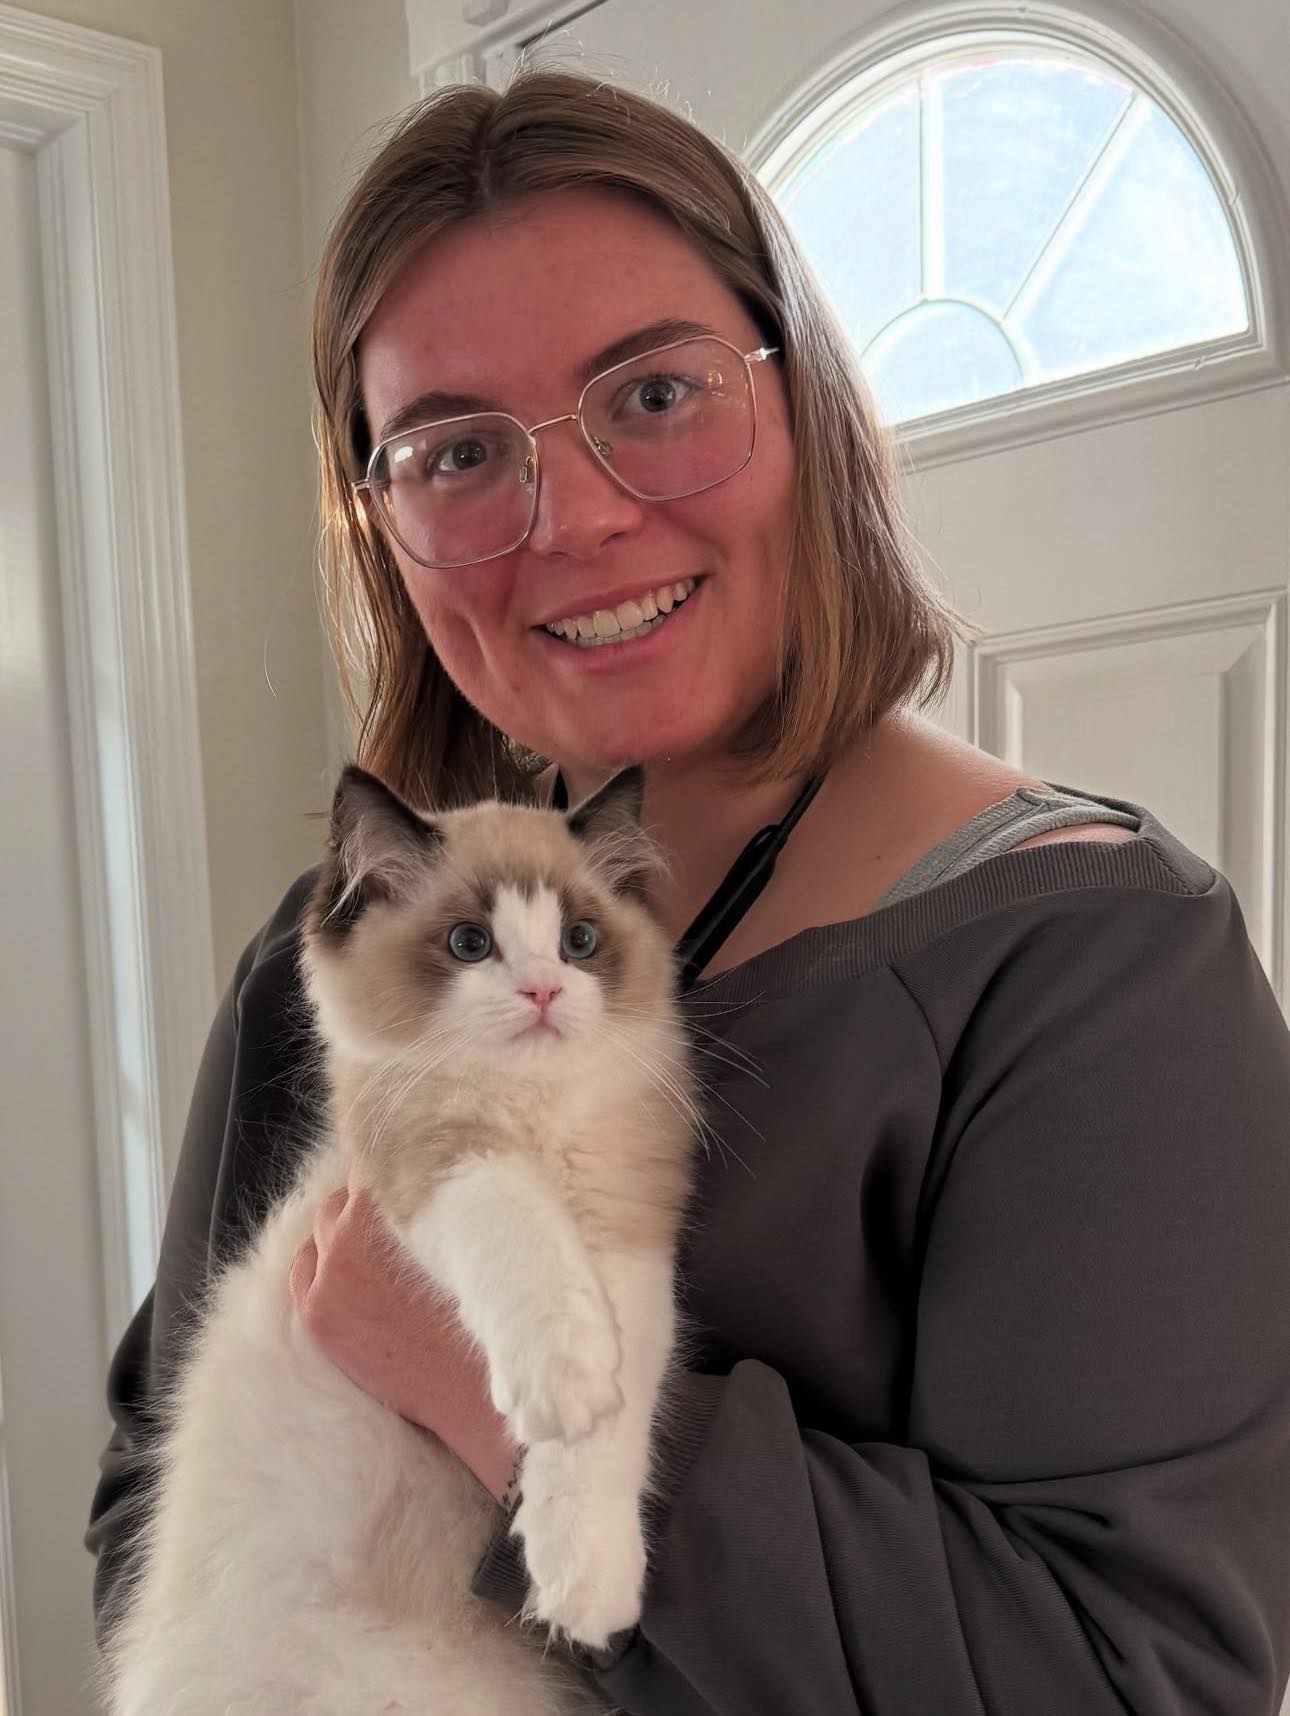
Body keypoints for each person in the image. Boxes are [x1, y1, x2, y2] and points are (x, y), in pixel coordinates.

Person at [87, 69, 1290, 1715]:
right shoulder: (342, 963)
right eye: (452, 452)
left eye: (652, 395)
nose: (571, 517)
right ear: (382, 531)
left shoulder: (1096, 965)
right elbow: (150, 1501)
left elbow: (1134, 1673)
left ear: (806, 412)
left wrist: (502, 1396)